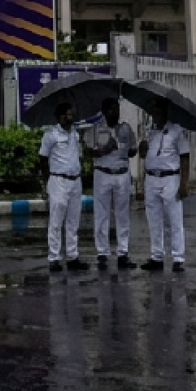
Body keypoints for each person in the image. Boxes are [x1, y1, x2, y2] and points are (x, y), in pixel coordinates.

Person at [83, 97, 138, 269]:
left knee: (122, 215)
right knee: (102, 215)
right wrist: (105, 149)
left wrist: (134, 149)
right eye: (112, 109)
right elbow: (87, 153)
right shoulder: (95, 130)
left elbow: (132, 150)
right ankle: (102, 253)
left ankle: (123, 253)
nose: (116, 112)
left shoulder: (126, 129)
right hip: (103, 174)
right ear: (105, 111)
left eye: (117, 109)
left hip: (121, 174)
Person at [138, 101, 189, 272]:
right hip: (152, 178)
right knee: (154, 219)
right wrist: (142, 148)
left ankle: (178, 257)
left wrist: (184, 183)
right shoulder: (150, 131)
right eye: (154, 111)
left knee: (174, 220)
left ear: (166, 113)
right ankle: (156, 256)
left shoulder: (177, 131)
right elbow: (144, 156)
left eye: (159, 110)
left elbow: (184, 157)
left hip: (170, 179)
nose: (156, 114)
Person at [39, 102, 88, 273]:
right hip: (58, 180)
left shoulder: (75, 134)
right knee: (56, 220)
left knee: (73, 220)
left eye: (72, 113)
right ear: (60, 117)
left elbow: (79, 155)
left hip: (75, 181)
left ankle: (73, 256)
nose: (71, 116)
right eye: (68, 114)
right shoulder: (51, 135)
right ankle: (54, 258)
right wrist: (47, 182)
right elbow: (43, 159)